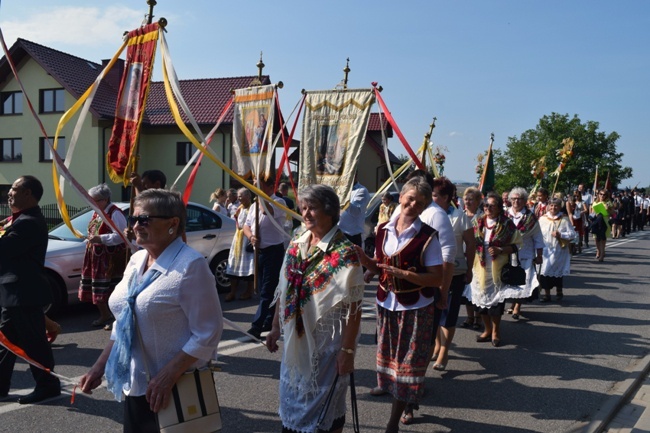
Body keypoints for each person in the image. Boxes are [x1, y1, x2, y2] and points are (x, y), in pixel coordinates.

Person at [80, 189, 223, 430]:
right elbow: (125, 321)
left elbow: (208, 332)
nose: (135, 226)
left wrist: (168, 375)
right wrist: (100, 366)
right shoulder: (137, 260)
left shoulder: (191, 266)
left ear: (173, 223)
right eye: (133, 219)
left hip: (175, 387)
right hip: (137, 386)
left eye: (144, 219)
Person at [265, 184, 364, 433]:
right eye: (303, 208)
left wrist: (348, 351)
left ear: (330, 211)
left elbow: (354, 307)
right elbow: (284, 288)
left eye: (313, 208)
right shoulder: (297, 244)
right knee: (294, 400)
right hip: (295, 341)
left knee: (325, 408)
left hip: (326, 346)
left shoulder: (345, 253)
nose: (306, 214)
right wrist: (275, 326)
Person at [356, 178, 444, 431]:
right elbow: (379, 265)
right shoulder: (382, 229)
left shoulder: (427, 236)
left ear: (425, 206)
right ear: (402, 196)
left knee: (408, 365)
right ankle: (406, 402)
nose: (413, 204)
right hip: (387, 305)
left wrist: (405, 275)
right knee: (392, 362)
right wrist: (365, 260)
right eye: (410, 197)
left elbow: (436, 277)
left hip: (416, 308)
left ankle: (393, 422)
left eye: (420, 202)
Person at [0, 175, 61, 404]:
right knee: (6, 342)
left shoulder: (28, 222)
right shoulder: (20, 219)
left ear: (28, 194)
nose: (9, 192)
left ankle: (48, 386)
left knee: (34, 343)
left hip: (23, 293)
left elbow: (4, 250)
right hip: (13, 293)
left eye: (15, 188)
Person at [464, 192, 523, 347]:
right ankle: (487, 329)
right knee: (480, 302)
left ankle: (496, 331)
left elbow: (517, 245)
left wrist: (501, 250)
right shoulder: (477, 222)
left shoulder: (507, 224)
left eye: (491, 205)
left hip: (497, 269)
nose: (487, 208)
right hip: (480, 268)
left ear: (499, 207)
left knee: (496, 304)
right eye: (485, 205)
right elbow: (469, 242)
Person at [431, 178, 475, 371]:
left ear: (446, 197)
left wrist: (470, 268)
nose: (431, 199)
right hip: (432, 271)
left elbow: (471, 244)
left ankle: (444, 351)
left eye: (435, 195)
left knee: (448, 312)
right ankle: (437, 344)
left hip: (455, 271)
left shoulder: (459, 216)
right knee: (433, 312)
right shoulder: (428, 214)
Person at [78, 184, 128, 331]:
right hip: (95, 256)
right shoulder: (98, 212)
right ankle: (105, 315)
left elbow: (121, 236)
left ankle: (116, 318)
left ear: (105, 199)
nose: (92, 203)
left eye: (95, 200)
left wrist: (101, 239)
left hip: (109, 258)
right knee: (97, 289)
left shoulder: (114, 213)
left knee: (110, 289)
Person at [244, 173, 287, 340]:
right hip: (259, 252)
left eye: (260, 186)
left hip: (273, 251)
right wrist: (251, 236)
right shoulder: (255, 204)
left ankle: (256, 326)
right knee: (263, 289)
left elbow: (267, 211)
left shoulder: (278, 202)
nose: (257, 189)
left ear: (270, 187)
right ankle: (269, 320)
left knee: (267, 290)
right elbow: (246, 225)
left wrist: (260, 194)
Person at [506, 188, 544, 319]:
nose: (516, 201)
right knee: (509, 280)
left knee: (523, 280)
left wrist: (539, 255)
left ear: (524, 201)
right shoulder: (505, 215)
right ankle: (512, 302)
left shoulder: (530, 218)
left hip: (525, 254)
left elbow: (538, 237)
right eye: (514, 198)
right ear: (510, 200)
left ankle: (518, 306)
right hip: (507, 254)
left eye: (520, 199)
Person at [538, 198, 577, 301]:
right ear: (548, 206)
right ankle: (547, 294)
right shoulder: (542, 219)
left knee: (557, 273)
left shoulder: (564, 219)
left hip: (559, 250)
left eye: (556, 206)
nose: (553, 208)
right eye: (551, 205)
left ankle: (559, 290)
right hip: (545, 250)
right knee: (544, 272)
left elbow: (573, 234)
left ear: (560, 207)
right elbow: (537, 234)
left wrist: (561, 234)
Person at [224, 188, 255, 302]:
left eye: (241, 196)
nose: (239, 198)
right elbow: (237, 223)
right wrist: (236, 218)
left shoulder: (252, 208)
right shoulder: (240, 208)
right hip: (237, 239)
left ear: (248, 196)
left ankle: (249, 291)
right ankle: (232, 292)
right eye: (238, 196)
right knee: (233, 264)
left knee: (248, 267)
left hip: (246, 239)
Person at [460, 187, 484, 331]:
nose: (468, 202)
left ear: (478, 201)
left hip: (478, 257)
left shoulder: (482, 218)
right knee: (465, 288)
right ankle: (469, 317)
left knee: (477, 288)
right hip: (462, 256)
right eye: (466, 199)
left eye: (471, 199)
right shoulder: (461, 215)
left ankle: (478, 318)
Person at [338, 176, 370, 247]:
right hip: (338, 234)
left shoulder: (361, 190)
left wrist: (343, 199)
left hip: (352, 236)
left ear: (355, 176)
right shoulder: (340, 189)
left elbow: (356, 212)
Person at [590, 189, 615, 262]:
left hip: (605, 220)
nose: (602, 196)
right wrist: (593, 214)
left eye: (604, 195)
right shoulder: (595, 202)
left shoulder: (608, 202)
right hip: (597, 220)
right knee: (596, 238)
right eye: (601, 194)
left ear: (606, 196)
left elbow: (613, 212)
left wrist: (608, 209)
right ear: (598, 194)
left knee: (603, 238)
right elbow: (592, 212)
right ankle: (598, 251)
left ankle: (602, 254)